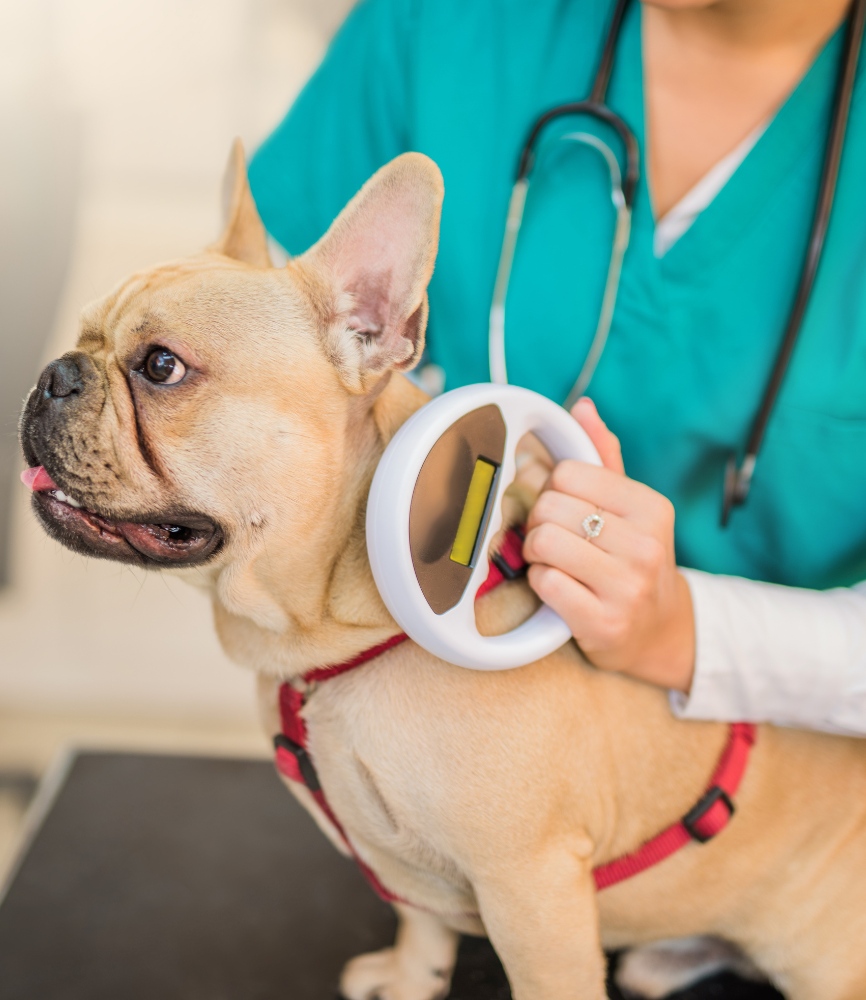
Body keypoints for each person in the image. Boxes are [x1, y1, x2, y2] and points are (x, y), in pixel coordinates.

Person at [248, 0, 866, 736]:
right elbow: (253, 361)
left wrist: (679, 631)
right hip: (426, 712)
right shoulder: (445, 25)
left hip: (783, 771)